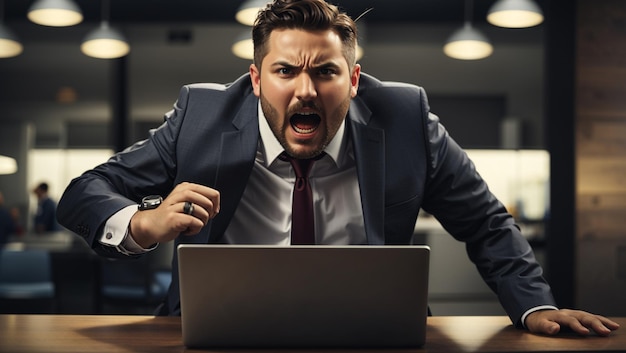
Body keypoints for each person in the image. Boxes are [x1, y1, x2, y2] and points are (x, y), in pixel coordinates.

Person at [57, 0, 618, 337]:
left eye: (325, 72)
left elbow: (485, 223)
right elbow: (85, 192)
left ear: (352, 80)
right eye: (284, 71)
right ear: (256, 82)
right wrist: (142, 224)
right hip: (216, 336)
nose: (305, 89)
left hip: (373, 335)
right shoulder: (202, 116)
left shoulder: (404, 116)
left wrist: (535, 307)